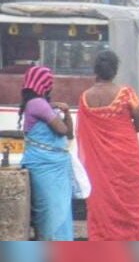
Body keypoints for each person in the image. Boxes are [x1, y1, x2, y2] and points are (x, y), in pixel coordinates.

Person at [76, 51, 139, 241]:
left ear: (95, 70)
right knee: (133, 212)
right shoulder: (126, 93)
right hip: (127, 163)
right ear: (115, 71)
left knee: (102, 210)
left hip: (99, 167)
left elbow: (81, 132)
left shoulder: (85, 98)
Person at [18, 65, 74, 241]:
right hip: (45, 167)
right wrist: (63, 111)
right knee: (52, 212)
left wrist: (66, 112)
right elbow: (62, 129)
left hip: (52, 166)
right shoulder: (38, 104)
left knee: (58, 210)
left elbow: (69, 133)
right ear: (44, 84)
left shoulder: (41, 105)